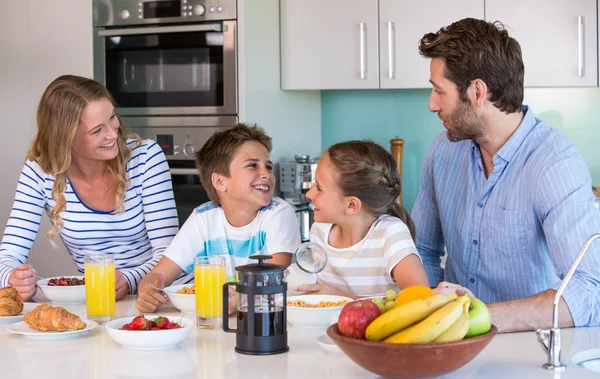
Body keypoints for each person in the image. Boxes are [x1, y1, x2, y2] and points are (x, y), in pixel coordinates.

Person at [412, 18, 600, 332]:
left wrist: (475, 318)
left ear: (477, 92)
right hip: (451, 349)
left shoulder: (554, 164)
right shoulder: (442, 151)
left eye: (438, 91)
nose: (432, 104)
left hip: (530, 352)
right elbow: (424, 251)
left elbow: (590, 290)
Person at [0, 75, 179, 300]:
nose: (113, 134)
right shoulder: (40, 171)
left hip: (164, 299)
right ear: (65, 139)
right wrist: (11, 278)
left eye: (112, 118)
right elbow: (8, 255)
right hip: (99, 303)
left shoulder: (145, 158)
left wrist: (128, 279)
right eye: (97, 131)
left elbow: (170, 254)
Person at [136, 123, 301, 313]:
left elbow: (274, 279)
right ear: (220, 182)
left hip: (271, 324)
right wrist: (149, 290)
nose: (266, 174)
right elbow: (159, 274)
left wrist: (240, 299)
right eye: (253, 166)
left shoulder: (278, 213)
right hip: (221, 323)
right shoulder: (203, 219)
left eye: (268, 166)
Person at [293, 140, 430, 297]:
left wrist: (343, 298)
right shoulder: (319, 231)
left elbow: (421, 298)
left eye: (319, 187)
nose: (309, 194)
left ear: (352, 205)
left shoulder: (390, 233)